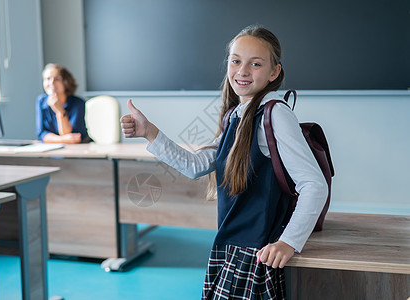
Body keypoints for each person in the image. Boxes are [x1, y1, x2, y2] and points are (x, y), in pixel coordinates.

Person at [120, 25, 328, 299]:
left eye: (256, 64)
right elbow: (195, 165)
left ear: (274, 72)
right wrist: (149, 132)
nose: (242, 71)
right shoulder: (235, 116)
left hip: (254, 251)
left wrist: (289, 243)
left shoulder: (275, 114)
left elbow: (315, 184)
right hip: (231, 244)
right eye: (236, 61)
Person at [36, 63, 90, 144]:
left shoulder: (78, 103)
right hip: (54, 150)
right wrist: (62, 140)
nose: (51, 83)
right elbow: (42, 134)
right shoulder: (41, 101)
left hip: (78, 151)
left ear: (66, 82)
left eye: (57, 79)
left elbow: (72, 137)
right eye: (47, 79)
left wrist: (60, 111)